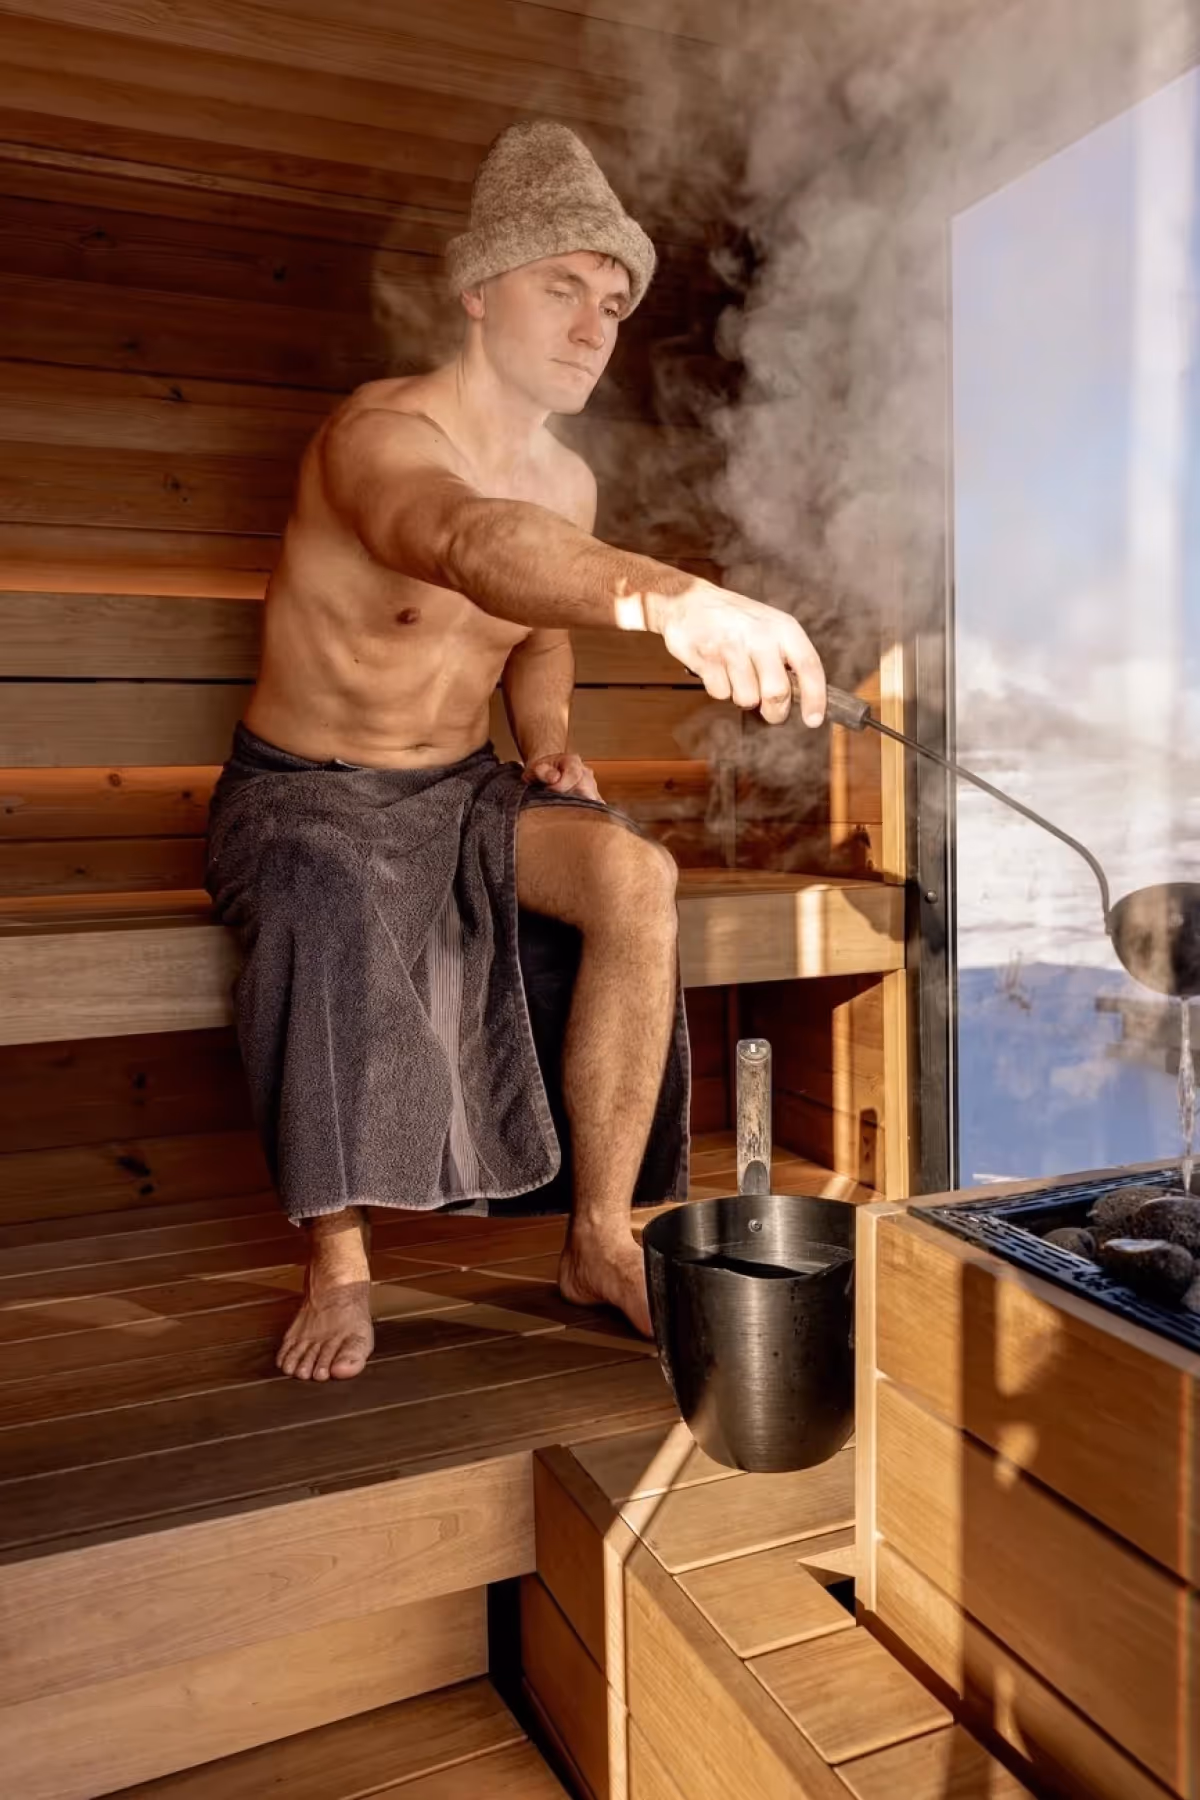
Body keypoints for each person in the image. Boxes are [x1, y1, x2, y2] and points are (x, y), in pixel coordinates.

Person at [204, 119, 827, 1383]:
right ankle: (339, 1260)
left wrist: (546, 748)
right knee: (326, 888)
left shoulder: (571, 485)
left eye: (613, 301)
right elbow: (464, 544)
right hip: (303, 797)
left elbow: (536, 628)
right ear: (479, 290)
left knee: (634, 877)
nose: (596, 326)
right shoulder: (378, 439)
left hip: (459, 789)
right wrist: (675, 600)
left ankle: (600, 1237)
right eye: (565, 289)